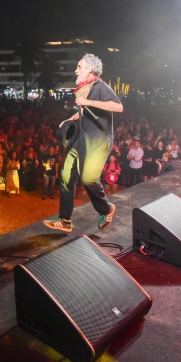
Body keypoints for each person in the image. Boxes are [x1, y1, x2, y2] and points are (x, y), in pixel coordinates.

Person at [44, 54, 122, 233]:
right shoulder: (85, 88)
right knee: (65, 175)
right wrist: (69, 119)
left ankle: (106, 209)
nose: (75, 70)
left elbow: (118, 107)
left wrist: (88, 101)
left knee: (88, 178)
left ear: (90, 69)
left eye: (79, 67)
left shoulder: (100, 86)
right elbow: (83, 111)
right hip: (82, 137)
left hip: (98, 140)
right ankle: (65, 219)